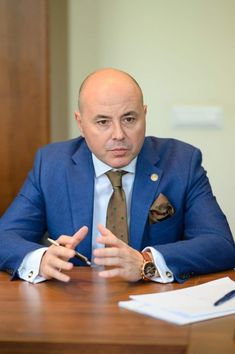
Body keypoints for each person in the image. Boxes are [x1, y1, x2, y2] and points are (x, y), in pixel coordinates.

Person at [0, 68, 234, 284]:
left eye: (129, 119)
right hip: (75, 301)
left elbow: (221, 245)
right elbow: (5, 237)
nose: (118, 135)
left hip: (156, 304)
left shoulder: (182, 162)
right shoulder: (52, 165)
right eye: (103, 122)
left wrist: (146, 262)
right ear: (80, 124)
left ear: (144, 115)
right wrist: (40, 260)